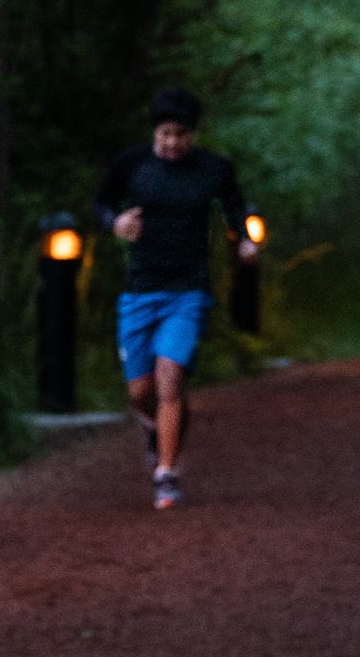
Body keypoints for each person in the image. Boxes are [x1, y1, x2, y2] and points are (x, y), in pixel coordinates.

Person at [95, 87, 259, 510]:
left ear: (193, 134)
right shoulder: (132, 164)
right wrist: (116, 221)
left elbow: (235, 205)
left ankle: (166, 473)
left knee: (171, 377)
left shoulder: (213, 169)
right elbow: (103, 202)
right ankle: (153, 428)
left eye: (181, 135)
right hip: (139, 291)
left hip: (188, 291)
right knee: (139, 392)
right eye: (165, 134)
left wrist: (244, 238)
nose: (172, 143)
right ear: (155, 132)